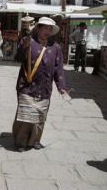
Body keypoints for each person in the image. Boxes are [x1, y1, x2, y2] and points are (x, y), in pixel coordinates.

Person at [13, 17, 67, 152]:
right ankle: (21, 142)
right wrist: (23, 47)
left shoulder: (55, 47)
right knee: (25, 116)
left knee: (39, 117)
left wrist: (61, 87)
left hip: (44, 88)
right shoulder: (28, 42)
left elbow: (58, 69)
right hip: (27, 86)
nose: (48, 31)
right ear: (38, 28)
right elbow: (18, 58)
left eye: (50, 29)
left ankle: (35, 141)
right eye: (45, 28)